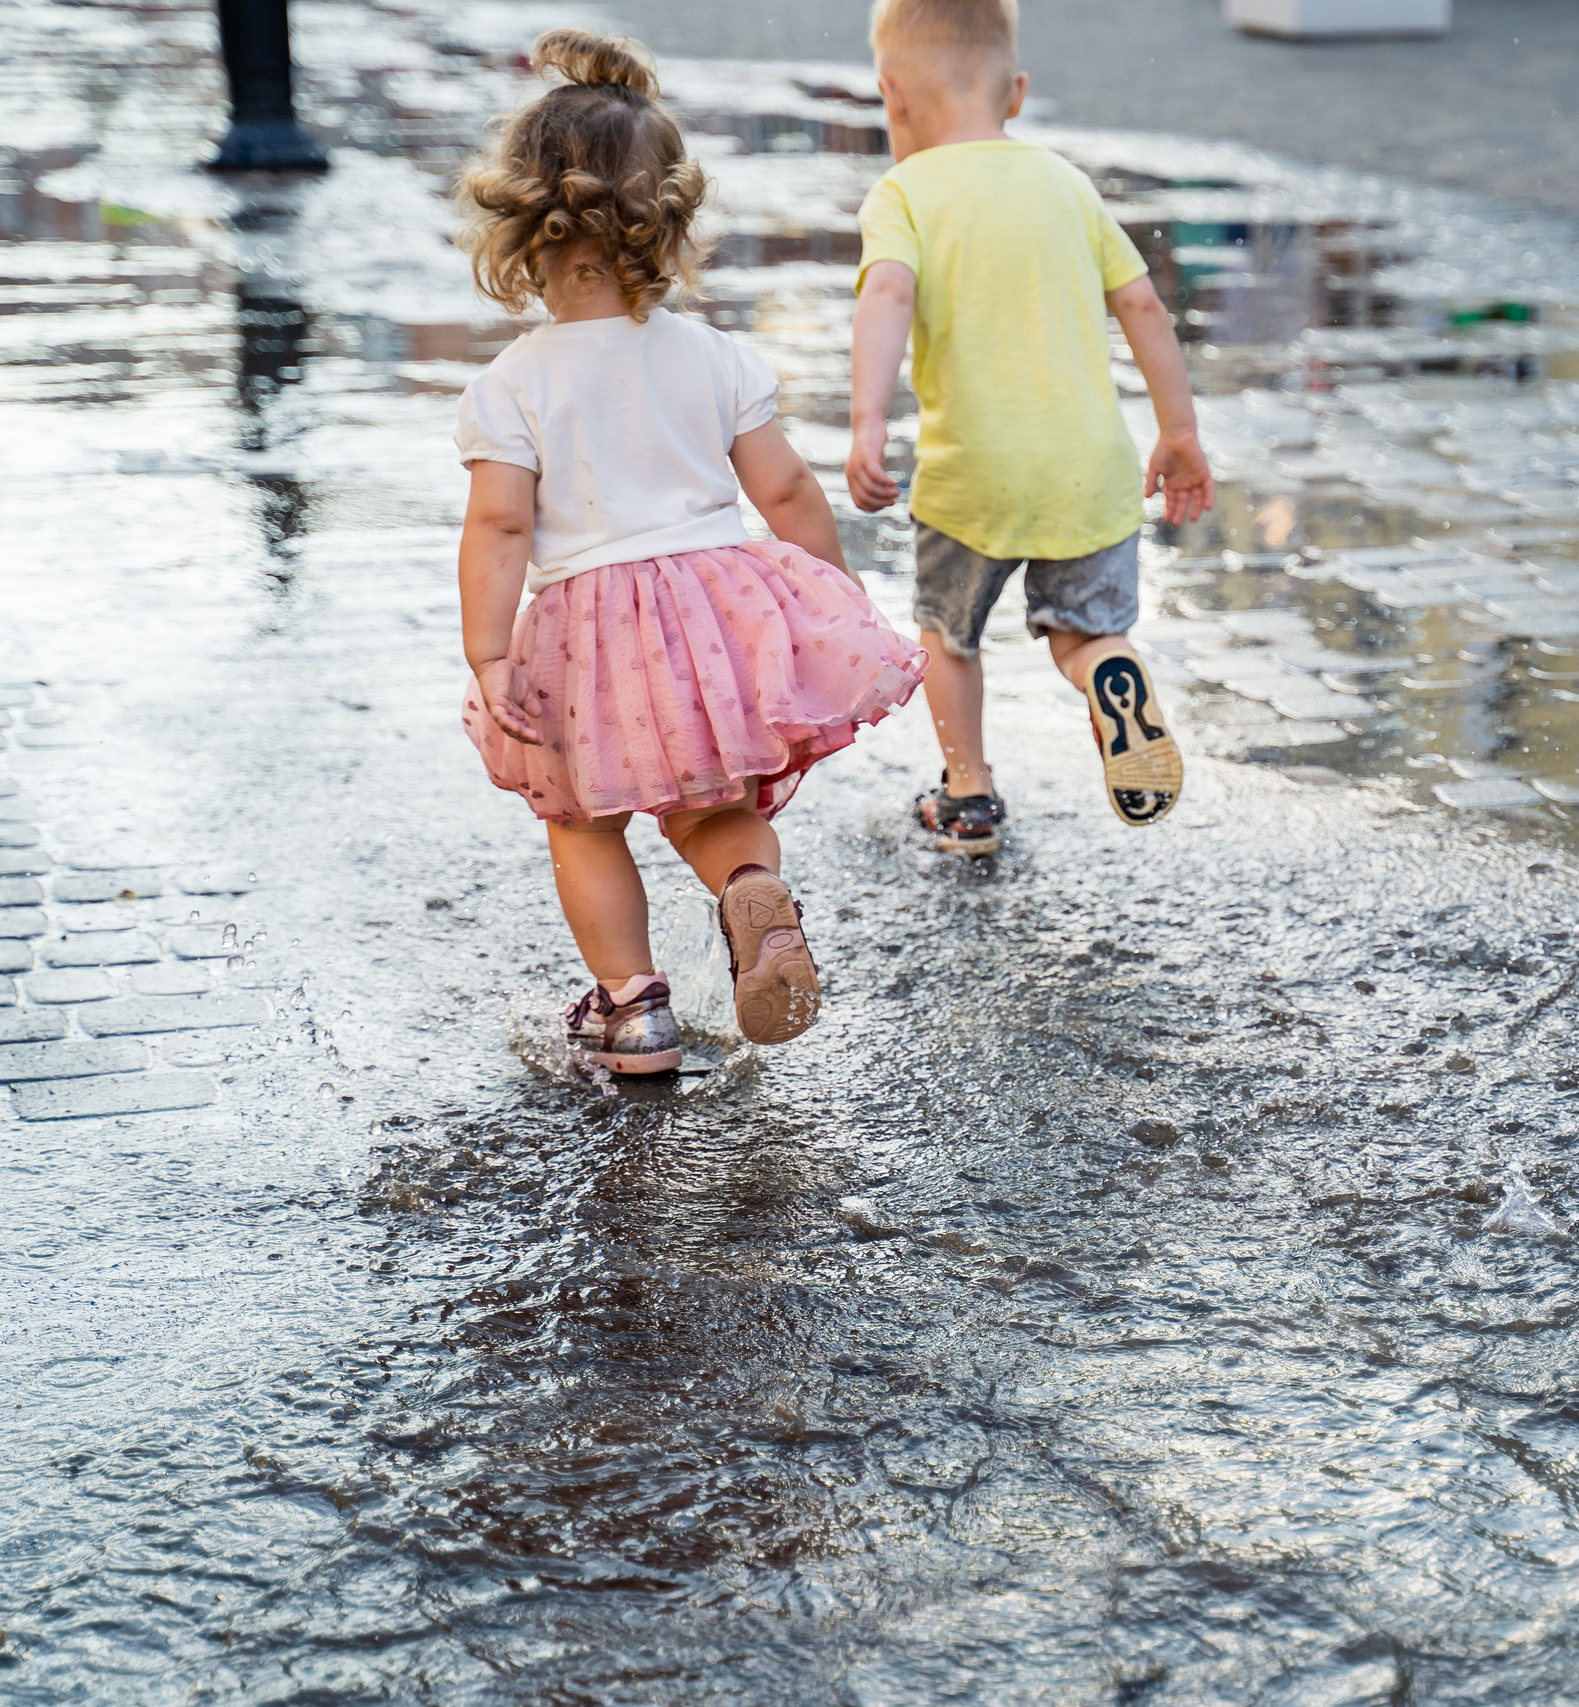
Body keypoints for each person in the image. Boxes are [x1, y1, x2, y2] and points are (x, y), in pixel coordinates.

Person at [454, 31, 925, 1074]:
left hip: (587, 633)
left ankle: (632, 1010)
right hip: (714, 618)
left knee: (584, 822)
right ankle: (757, 899)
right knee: (716, 805)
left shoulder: (515, 384)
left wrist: (489, 657)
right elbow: (787, 490)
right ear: (667, 221)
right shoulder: (715, 355)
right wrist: (834, 597)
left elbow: (499, 525)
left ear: (522, 228)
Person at [846, 0, 1215, 857]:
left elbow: (888, 296)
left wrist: (867, 421)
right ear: (1015, 92)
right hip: (1089, 470)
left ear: (891, 98)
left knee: (949, 634)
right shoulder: (1065, 182)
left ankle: (967, 792)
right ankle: (1107, 674)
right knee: (1085, 632)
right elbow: (1143, 305)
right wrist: (1180, 431)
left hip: (973, 475)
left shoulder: (903, 192)